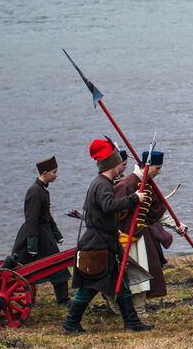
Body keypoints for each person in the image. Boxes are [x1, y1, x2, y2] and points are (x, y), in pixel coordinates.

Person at [62, 139, 151, 333]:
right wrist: (134, 198)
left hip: (105, 240)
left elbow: (100, 214)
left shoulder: (102, 183)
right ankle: (71, 323)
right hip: (97, 245)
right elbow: (109, 205)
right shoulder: (102, 184)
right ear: (112, 165)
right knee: (90, 286)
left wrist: (113, 229)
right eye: (120, 164)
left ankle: (132, 322)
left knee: (121, 281)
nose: (122, 168)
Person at [114, 149, 186, 318]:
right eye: (157, 168)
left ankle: (139, 309)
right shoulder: (127, 184)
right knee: (131, 274)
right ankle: (127, 309)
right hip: (126, 237)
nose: (159, 172)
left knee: (144, 273)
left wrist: (177, 225)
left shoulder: (148, 184)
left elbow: (157, 213)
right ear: (147, 166)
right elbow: (112, 210)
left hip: (142, 235)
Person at [9, 156, 70, 304]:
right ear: (45, 173)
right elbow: (31, 219)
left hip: (45, 234)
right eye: (54, 172)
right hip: (36, 234)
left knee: (57, 266)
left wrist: (57, 235)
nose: (56, 175)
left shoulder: (42, 190)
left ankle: (62, 298)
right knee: (57, 266)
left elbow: (46, 215)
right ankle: (63, 300)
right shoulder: (35, 192)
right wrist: (32, 245)